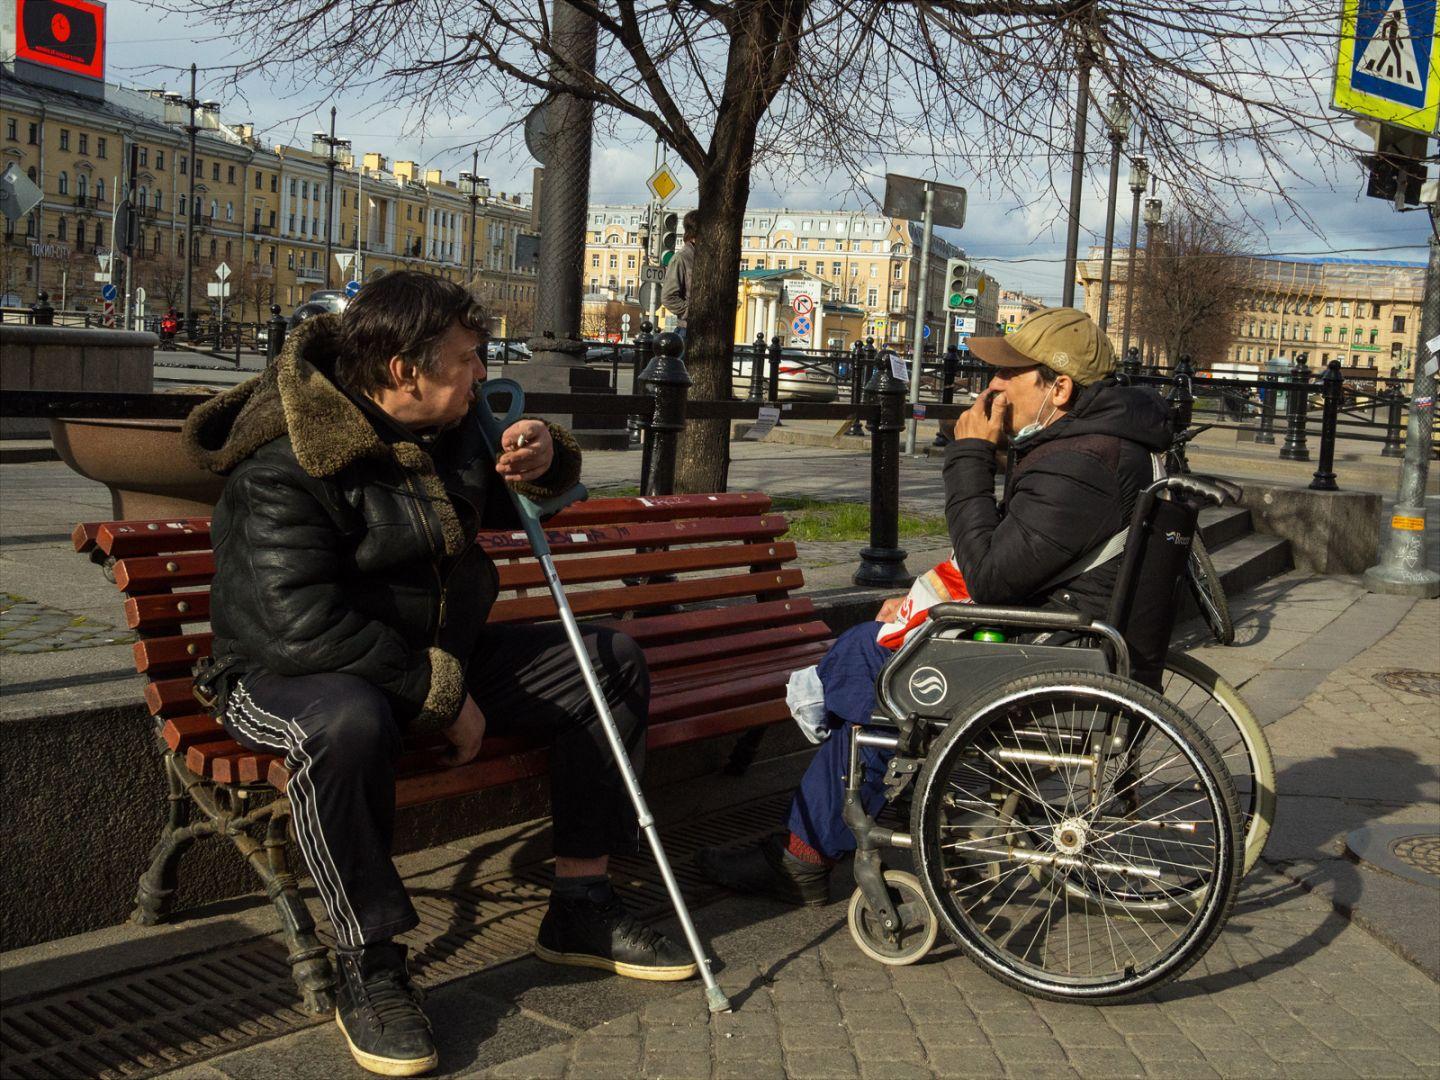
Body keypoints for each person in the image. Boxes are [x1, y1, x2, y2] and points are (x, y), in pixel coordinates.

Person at [182, 272, 695, 1078]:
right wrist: (438, 694)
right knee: (346, 723)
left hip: (425, 654)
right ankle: (371, 962)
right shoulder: (287, 459)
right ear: (402, 370)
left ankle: (581, 905)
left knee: (608, 665)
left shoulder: (448, 427)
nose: (481, 374)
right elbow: (296, 624)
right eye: (469, 358)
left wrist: (546, 456)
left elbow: (522, 501)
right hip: (285, 673)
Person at [696, 307, 1173, 904]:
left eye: (1009, 374)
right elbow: (1029, 556)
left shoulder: (1081, 463)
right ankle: (831, 827)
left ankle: (805, 854)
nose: (991, 386)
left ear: (1059, 388)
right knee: (875, 656)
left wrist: (969, 455)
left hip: (1054, 655)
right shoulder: (1110, 446)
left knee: (867, 663)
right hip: (1075, 635)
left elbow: (994, 576)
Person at [660, 210, 698, 337]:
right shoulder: (681, 258)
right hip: (687, 331)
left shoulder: (708, 258)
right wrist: (691, 311)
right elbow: (668, 297)